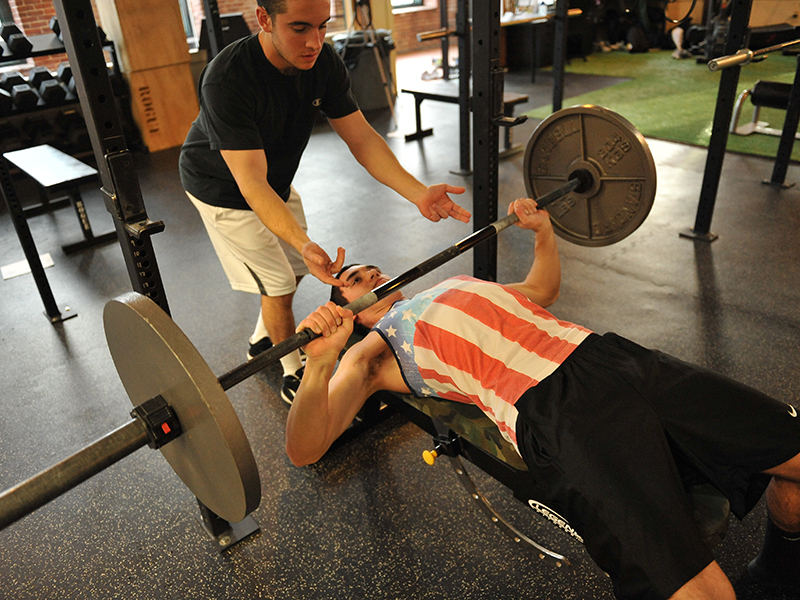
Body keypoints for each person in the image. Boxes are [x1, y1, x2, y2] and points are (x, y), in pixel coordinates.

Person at [286, 198, 800, 600]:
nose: (372, 276)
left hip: (612, 357)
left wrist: (544, 233)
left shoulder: (449, 288)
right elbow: (304, 448)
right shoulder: (371, 354)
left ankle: (775, 572)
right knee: (707, 592)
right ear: (345, 312)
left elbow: (542, 289)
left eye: (373, 270)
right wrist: (321, 362)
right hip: (554, 411)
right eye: (355, 280)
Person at [179, 0, 469, 404]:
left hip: (274, 181)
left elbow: (362, 138)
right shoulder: (227, 79)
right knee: (279, 284)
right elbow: (252, 185)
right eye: (300, 28)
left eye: (323, 26)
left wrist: (417, 192)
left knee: (296, 272)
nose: (315, 42)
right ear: (264, 19)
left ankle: (263, 340)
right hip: (222, 190)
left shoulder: (322, 62)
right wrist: (302, 240)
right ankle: (292, 372)